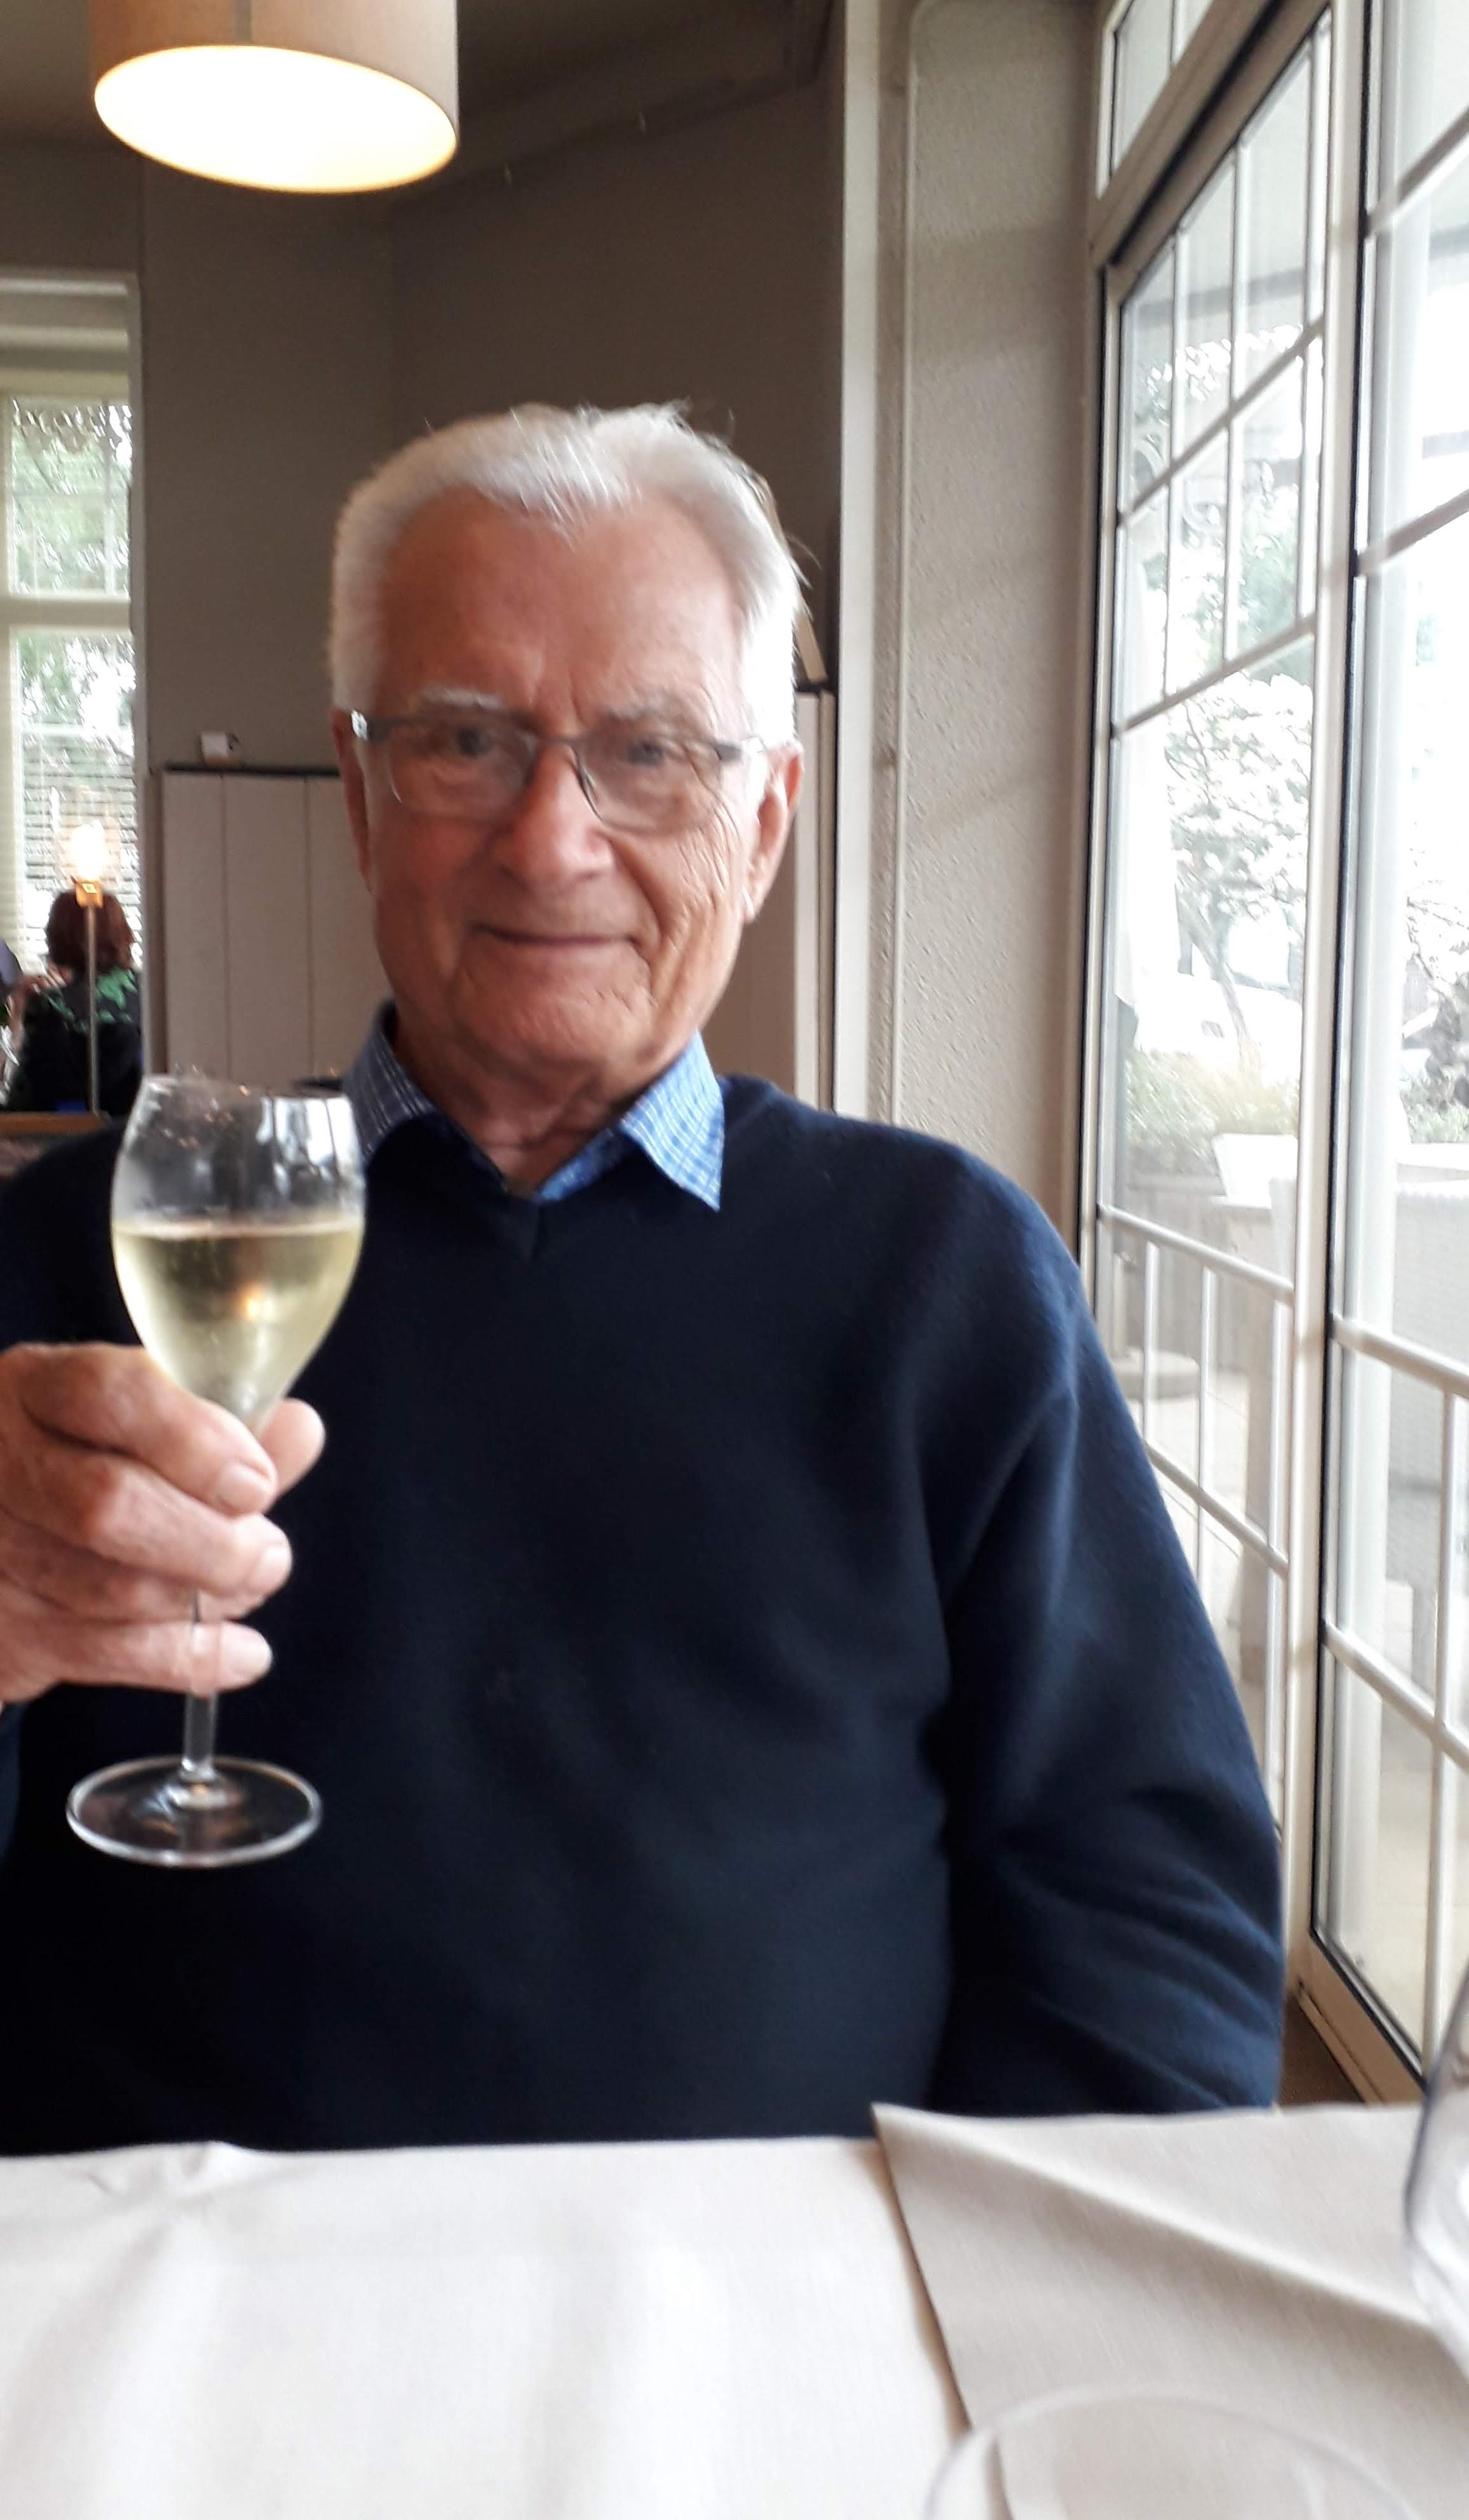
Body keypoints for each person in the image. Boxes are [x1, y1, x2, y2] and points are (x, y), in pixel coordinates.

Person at [0, 406, 1283, 2155]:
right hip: (171, 2306)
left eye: (652, 751)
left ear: (764, 821)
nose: (551, 839)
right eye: (465, 740)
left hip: (797, 2311)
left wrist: (985, 2292)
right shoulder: (76, 1251)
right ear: (361, 796)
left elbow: (1145, 1915)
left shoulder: (946, 1279)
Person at [4, 889, 142, 1118]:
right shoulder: (150, 993)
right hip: (130, 1130)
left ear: (56, 939)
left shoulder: (50, 1007)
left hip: (57, 1135)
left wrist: (18, 1014)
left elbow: (21, 1105)